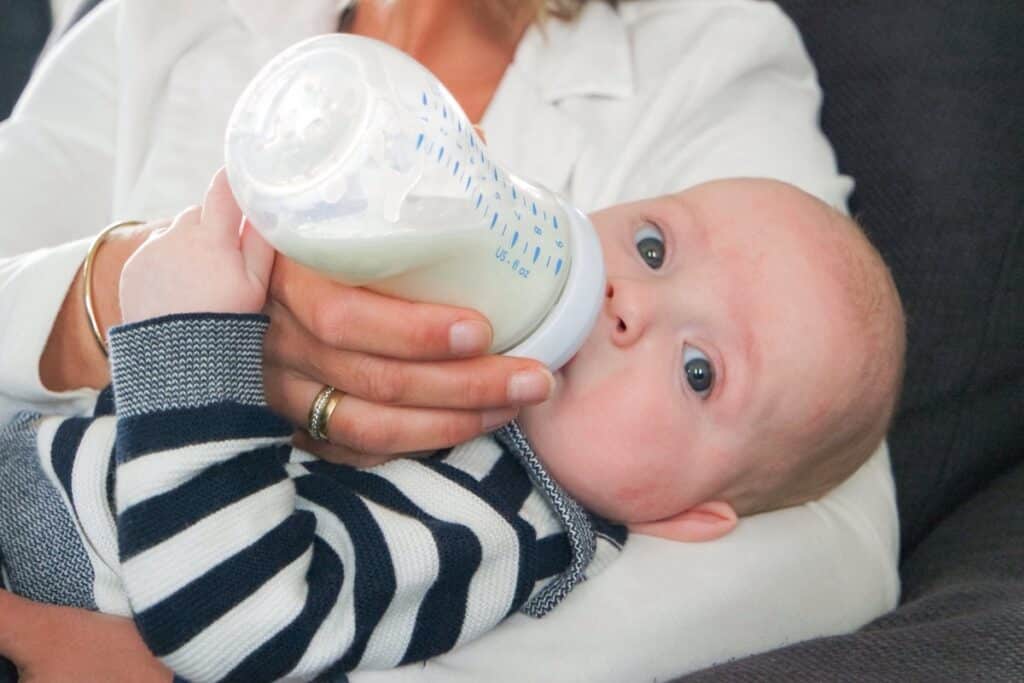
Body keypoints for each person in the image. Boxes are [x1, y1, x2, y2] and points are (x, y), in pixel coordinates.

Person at [0, 1, 901, 681]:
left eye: (699, 370)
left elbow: (831, 538)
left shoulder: (492, 521)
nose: (630, 301)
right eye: (652, 247)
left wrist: (186, 343)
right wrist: (104, 291)